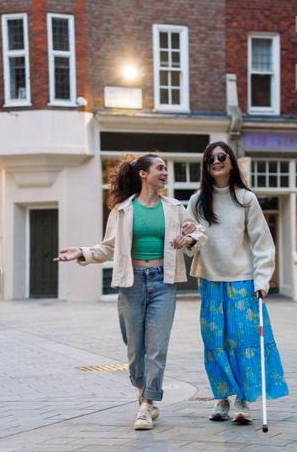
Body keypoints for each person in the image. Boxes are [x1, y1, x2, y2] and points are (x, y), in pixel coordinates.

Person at [55, 153, 206, 431]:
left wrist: (190, 237)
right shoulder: (122, 210)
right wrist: (82, 252)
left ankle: (147, 404)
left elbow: (199, 233)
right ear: (143, 174)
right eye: (159, 168)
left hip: (164, 281)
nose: (165, 173)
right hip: (131, 282)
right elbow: (108, 248)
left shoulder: (174, 208)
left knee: (157, 346)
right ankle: (142, 389)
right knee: (135, 347)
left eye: (165, 169)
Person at [185, 141, 288, 425]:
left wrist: (263, 279)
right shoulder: (196, 202)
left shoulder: (245, 199)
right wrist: (187, 242)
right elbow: (191, 244)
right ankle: (222, 397)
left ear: (231, 161)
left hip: (243, 281)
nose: (215, 161)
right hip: (210, 280)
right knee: (214, 342)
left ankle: (243, 399)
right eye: (210, 158)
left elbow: (262, 243)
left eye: (221, 156)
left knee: (244, 342)